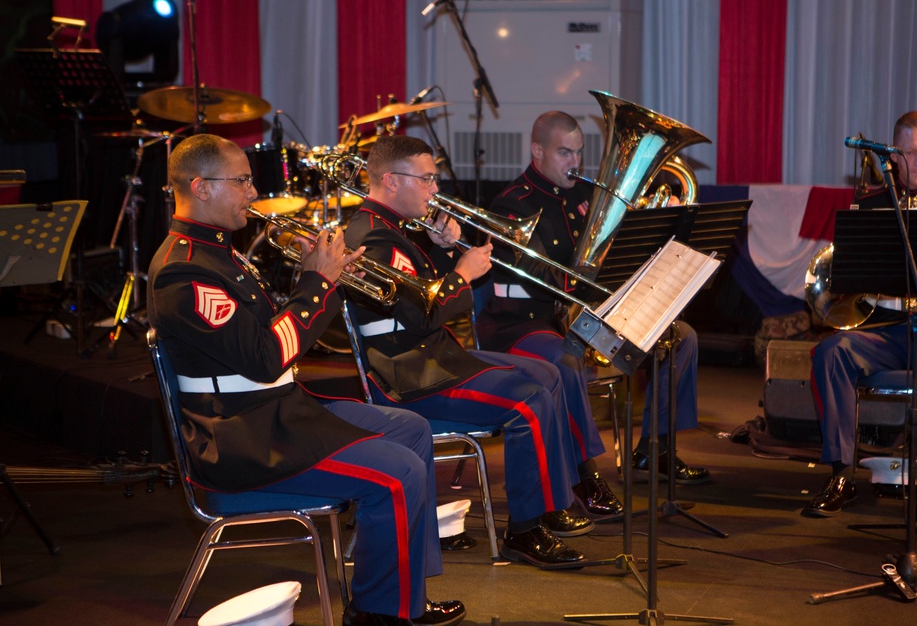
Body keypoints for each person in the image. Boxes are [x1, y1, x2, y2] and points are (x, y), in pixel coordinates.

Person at [147, 134, 466, 626]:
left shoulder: (219, 255)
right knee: (398, 471)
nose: (253, 193)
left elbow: (278, 336)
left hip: (277, 414)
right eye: (242, 181)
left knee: (411, 429)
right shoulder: (183, 272)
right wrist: (318, 284)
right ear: (201, 187)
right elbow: (268, 357)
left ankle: (402, 588)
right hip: (242, 440)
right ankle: (381, 613)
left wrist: (323, 280)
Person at [343, 134, 600, 568]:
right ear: (390, 181)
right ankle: (525, 529)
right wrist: (461, 275)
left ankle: (552, 503)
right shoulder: (375, 238)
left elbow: (419, 297)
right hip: (408, 377)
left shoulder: (391, 229)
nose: (434, 190)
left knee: (548, 373)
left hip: (432, 359)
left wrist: (444, 253)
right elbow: (422, 315)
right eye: (426, 180)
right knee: (530, 398)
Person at [478, 111, 709, 488]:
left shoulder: (588, 196)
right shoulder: (512, 205)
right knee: (565, 358)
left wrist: (652, 228)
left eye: (579, 153)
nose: (575, 163)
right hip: (526, 322)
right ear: (537, 150)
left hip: (588, 316)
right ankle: (584, 476)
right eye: (564, 153)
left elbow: (619, 259)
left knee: (681, 337)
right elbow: (542, 279)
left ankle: (656, 449)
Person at [804, 111, 917, 528]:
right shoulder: (868, 203)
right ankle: (841, 475)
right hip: (883, 329)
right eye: (906, 153)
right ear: (892, 155)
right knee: (830, 353)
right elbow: (848, 276)